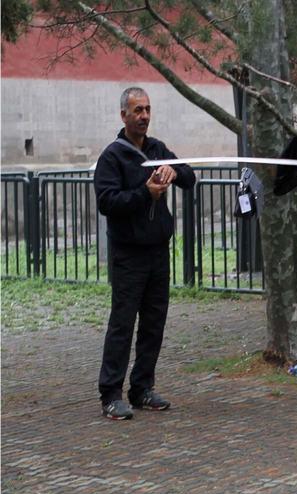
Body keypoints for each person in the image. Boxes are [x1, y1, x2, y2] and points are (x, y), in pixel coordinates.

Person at [94, 87, 196, 420]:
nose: (144, 116)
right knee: (122, 325)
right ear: (123, 114)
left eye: (148, 109)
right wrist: (145, 193)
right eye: (138, 110)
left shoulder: (157, 148)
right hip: (128, 255)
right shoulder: (112, 157)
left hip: (158, 253)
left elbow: (190, 177)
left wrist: (173, 171)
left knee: (154, 324)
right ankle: (111, 394)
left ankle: (142, 389)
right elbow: (108, 202)